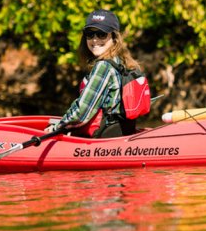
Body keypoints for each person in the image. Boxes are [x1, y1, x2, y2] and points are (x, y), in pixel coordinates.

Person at [45, 9, 144, 138]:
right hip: (122, 133)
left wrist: (56, 128)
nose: (95, 40)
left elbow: (82, 112)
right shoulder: (123, 63)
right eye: (90, 34)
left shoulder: (103, 66)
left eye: (101, 34)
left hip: (104, 139)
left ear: (114, 38)